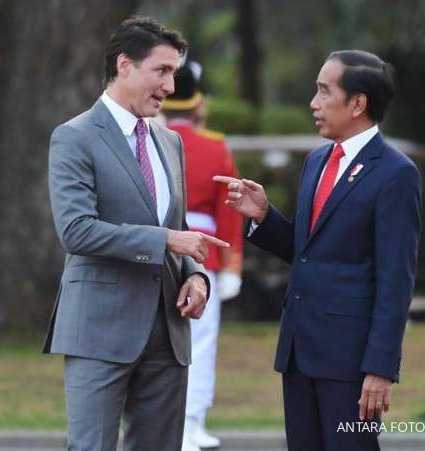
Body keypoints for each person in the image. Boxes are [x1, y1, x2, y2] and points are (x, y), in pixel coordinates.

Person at [215, 50, 422, 450]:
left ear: (358, 103)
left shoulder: (397, 174)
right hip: (299, 351)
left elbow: (397, 280)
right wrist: (264, 217)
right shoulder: (315, 161)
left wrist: (380, 368)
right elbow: (311, 254)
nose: (314, 103)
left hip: (351, 362)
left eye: (324, 91)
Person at [43, 16, 229, 451]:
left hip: (169, 334)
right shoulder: (74, 137)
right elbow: (77, 230)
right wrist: (165, 241)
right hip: (99, 331)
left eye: (174, 74)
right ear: (124, 65)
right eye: (161, 72)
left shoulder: (171, 143)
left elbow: (177, 228)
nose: (169, 86)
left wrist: (196, 277)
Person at [161, 60, 244, 451]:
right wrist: (231, 265)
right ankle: (192, 425)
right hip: (205, 253)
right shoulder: (214, 147)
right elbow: (229, 209)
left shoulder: (147, 142)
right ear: (198, 104)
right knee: (201, 343)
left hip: (157, 251)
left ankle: (164, 424)